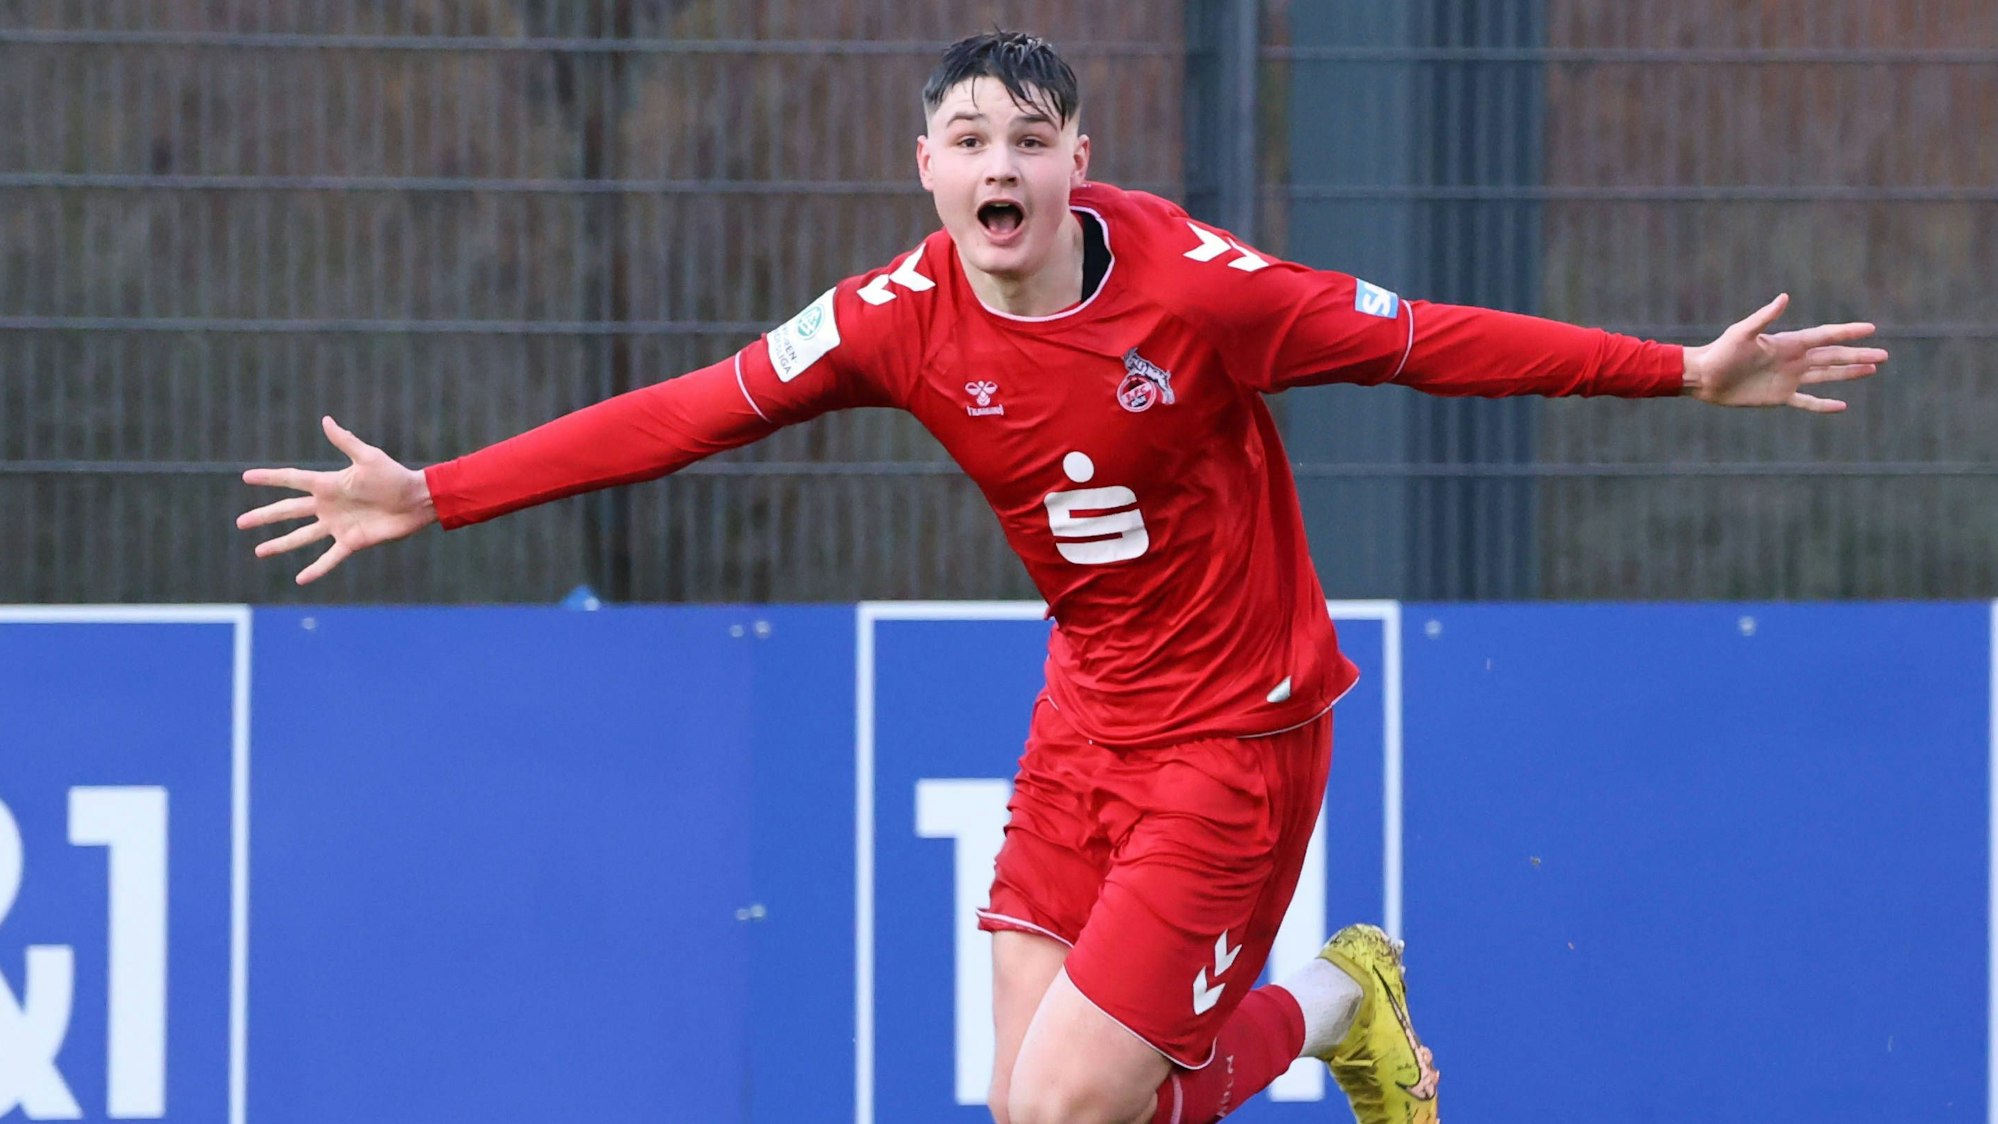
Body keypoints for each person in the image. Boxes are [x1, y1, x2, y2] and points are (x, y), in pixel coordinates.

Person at [236, 30, 1885, 1124]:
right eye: (969, 139)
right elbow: (689, 410)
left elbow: (1427, 341)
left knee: (1068, 1102)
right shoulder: (891, 318)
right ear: (927, 168)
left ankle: (1337, 998)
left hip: (1238, 735)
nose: (999, 166)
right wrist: (435, 494)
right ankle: (1333, 1009)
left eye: (1028, 139)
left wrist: (1679, 370)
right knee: (1038, 1111)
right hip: (1087, 717)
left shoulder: (1203, 296)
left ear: (1076, 159)